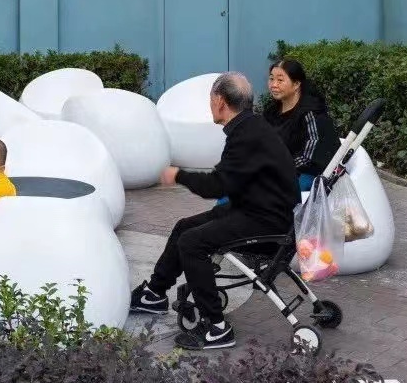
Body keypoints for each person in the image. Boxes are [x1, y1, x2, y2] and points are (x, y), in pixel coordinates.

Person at [129, 72, 299, 351]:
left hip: (267, 222)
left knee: (192, 243)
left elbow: (216, 186)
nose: (210, 104)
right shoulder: (250, 128)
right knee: (186, 226)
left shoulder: (246, 136)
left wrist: (178, 175)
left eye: (210, 99)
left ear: (219, 101)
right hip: (256, 209)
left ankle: (217, 328)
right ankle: (154, 294)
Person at [263, 58, 339, 192]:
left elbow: (309, 158)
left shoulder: (311, 114)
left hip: (307, 177)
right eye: (271, 79)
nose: (274, 85)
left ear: (296, 83)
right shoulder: (271, 112)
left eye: (280, 80)